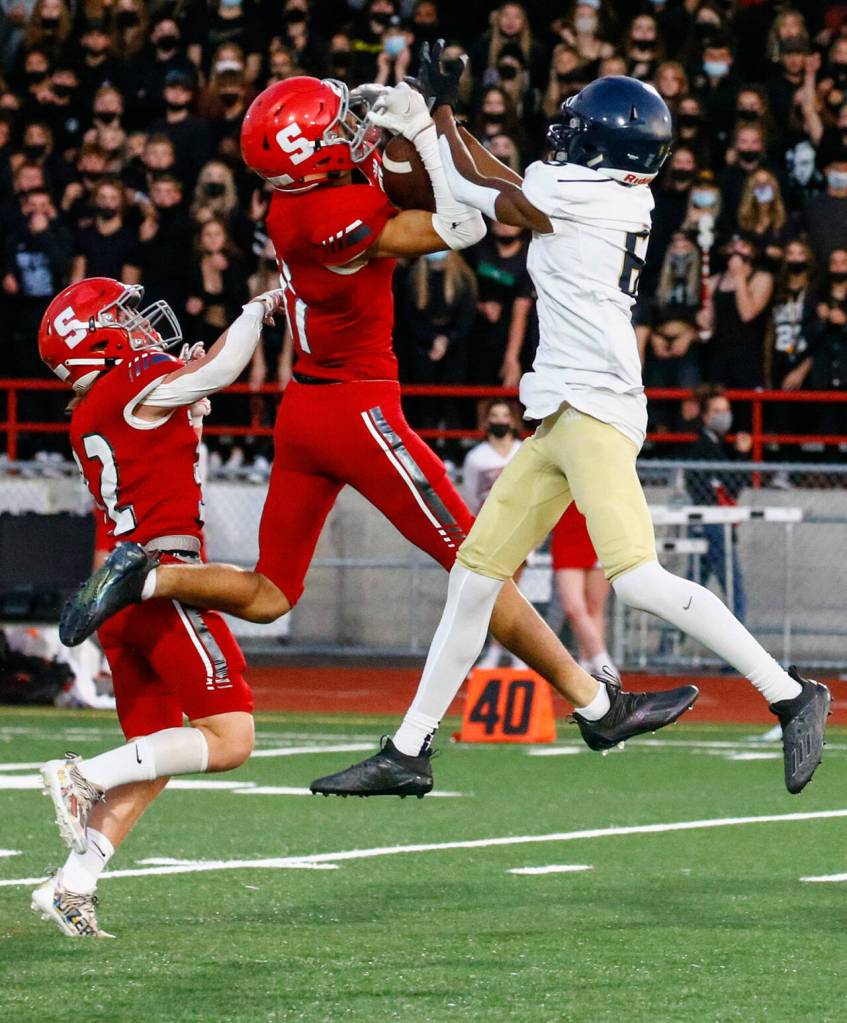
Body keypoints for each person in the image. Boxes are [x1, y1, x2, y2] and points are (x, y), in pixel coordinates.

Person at [61, 75, 696, 773]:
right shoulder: (333, 212)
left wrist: (410, 129)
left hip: (305, 411)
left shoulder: (292, 203)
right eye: (335, 127)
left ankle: (147, 578)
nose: (348, 131)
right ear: (310, 154)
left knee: (271, 594)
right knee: (477, 562)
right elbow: (461, 221)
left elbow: (400, 182)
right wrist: (421, 133)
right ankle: (593, 703)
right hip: (356, 408)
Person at [310, 59, 830, 800]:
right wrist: (437, 119)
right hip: (562, 408)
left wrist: (429, 120)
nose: (564, 136)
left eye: (580, 128)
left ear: (607, 147)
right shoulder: (610, 190)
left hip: (592, 405)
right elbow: (490, 182)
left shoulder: (582, 191)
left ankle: (788, 694)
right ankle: (408, 747)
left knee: (637, 578)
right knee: (473, 579)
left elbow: (480, 189)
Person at [33, 275, 284, 937]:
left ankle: (72, 884)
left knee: (157, 759)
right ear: (94, 338)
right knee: (230, 738)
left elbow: (159, 432)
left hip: (122, 596)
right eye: (120, 315)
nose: (137, 323)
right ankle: (78, 772)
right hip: (161, 580)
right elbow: (226, 367)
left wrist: (189, 396)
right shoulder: (128, 382)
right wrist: (257, 307)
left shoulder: (92, 407)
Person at [461, 399, 523, 669]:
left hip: (521, 529)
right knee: (493, 595)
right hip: (490, 531)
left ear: (513, 420)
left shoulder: (524, 451)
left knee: (514, 595)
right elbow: (471, 495)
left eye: (504, 415)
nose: (500, 421)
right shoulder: (476, 457)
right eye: (494, 415)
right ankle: (497, 651)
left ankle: (515, 653)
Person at [685, 387, 750, 621]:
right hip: (713, 527)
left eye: (726, 410)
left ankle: (667, 647)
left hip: (709, 526)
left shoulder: (717, 446)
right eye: (717, 411)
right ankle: (738, 655)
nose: (724, 416)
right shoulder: (703, 448)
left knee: (688, 599)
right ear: (705, 416)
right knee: (736, 596)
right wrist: (742, 456)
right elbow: (729, 486)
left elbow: (726, 484)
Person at [550, 502, 615, 679]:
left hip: (599, 532)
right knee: (573, 607)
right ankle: (603, 662)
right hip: (566, 533)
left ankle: (586, 665)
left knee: (594, 607)